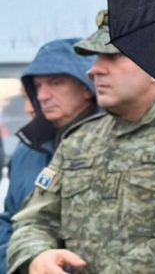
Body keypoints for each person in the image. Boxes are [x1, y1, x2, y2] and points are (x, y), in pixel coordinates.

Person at [7, 10, 155, 274]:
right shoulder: (79, 140)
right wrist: (37, 256)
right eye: (97, 58)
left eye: (113, 57)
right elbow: (33, 220)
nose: (94, 70)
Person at [0, 39, 99, 270]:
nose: (43, 95)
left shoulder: (118, 141)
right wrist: (21, 265)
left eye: (56, 82)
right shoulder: (27, 149)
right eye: (37, 86)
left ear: (87, 86)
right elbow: (10, 218)